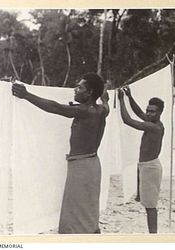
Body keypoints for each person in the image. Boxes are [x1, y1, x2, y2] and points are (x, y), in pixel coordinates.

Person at [11, 73, 109, 234]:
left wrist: (26, 95)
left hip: (82, 167)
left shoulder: (84, 111)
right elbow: (105, 104)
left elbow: (55, 107)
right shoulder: (101, 110)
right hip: (91, 164)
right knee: (86, 211)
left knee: (79, 213)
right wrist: (105, 97)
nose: (75, 89)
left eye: (80, 87)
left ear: (90, 92)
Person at [118, 86, 164, 234]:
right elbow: (138, 112)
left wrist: (120, 100)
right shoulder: (152, 121)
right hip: (145, 166)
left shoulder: (155, 127)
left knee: (150, 207)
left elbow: (127, 120)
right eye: (148, 110)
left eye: (152, 111)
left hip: (150, 167)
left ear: (160, 113)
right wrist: (129, 97)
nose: (149, 114)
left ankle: (153, 237)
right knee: (145, 202)